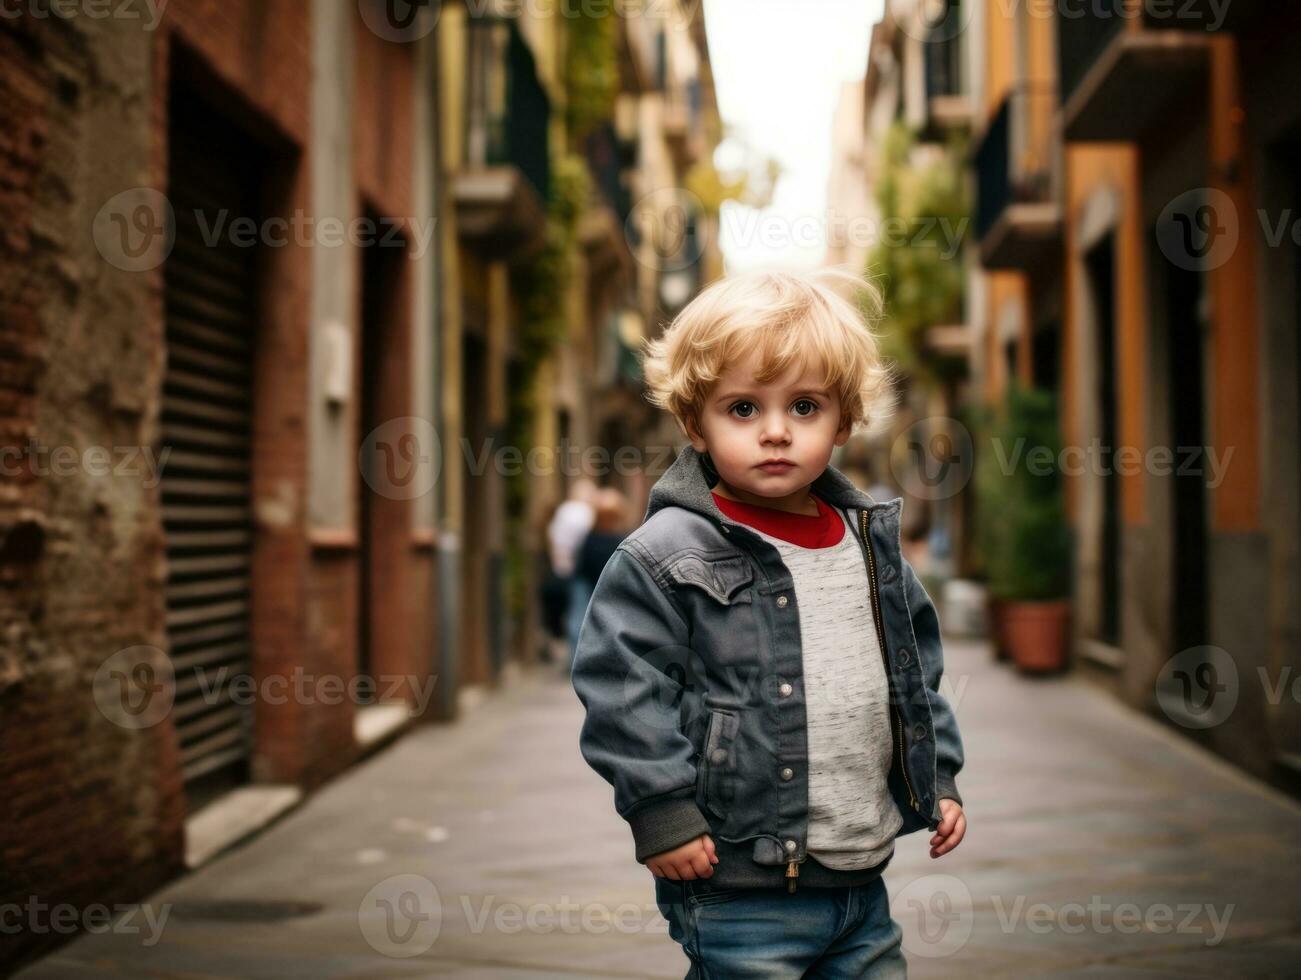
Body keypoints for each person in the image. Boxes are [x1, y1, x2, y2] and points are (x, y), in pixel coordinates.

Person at [570, 267, 967, 978]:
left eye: (806, 406)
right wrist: (661, 811)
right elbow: (619, 687)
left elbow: (915, 673)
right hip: (737, 885)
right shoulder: (665, 555)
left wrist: (936, 777)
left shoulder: (869, 547)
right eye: (743, 409)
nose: (776, 432)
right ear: (695, 422)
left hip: (860, 879)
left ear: (844, 419)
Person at [547, 477, 598, 666]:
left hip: (563, 568)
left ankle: (573, 657)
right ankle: (581, 659)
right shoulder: (585, 513)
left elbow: (553, 537)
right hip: (583, 570)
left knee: (573, 612)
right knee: (582, 613)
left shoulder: (563, 511)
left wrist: (559, 561)